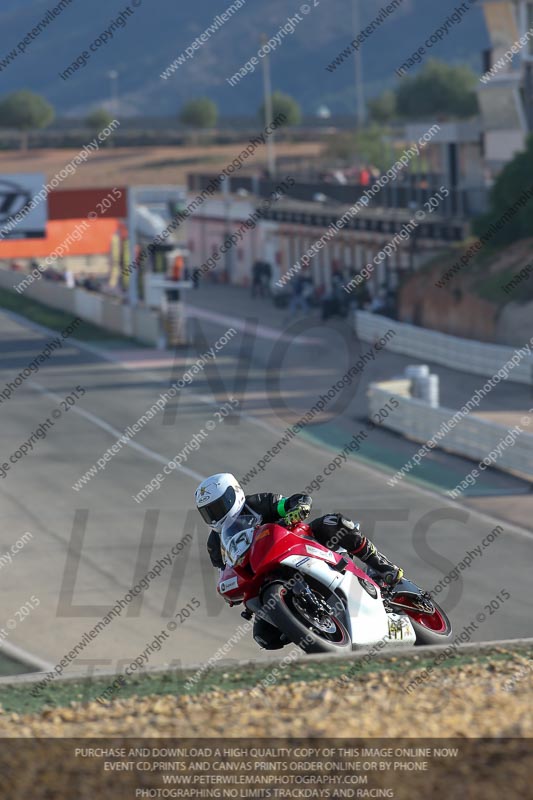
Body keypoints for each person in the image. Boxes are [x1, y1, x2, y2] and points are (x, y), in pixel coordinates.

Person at [195, 473, 404, 650]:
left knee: (335, 524)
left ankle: (382, 567)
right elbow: (226, 570)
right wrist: (230, 592)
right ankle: (314, 629)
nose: (216, 515)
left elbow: (291, 503)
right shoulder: (215, 544)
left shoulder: (257, 503)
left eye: (219, 506)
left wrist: (295, 508)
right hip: (263, 575)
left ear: (234, 494)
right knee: (265, 636)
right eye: (209, 512)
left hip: (298, 544)